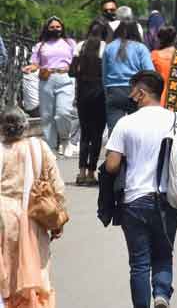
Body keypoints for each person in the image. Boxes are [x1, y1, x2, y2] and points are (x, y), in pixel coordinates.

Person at [104, 70, 177, 308]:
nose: (130, 95)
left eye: (132, 90)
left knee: (139, 263)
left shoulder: (125, 123)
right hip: (167, 199)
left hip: (134, 201)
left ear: (141, 92)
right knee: (163, 254)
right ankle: (161, 294)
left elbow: (112, 165)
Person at [0, 108, 65, 308]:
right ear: (25, 126)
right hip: (33, 217)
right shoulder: (39, 148)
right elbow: (57, 187)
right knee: (37, 273)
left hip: (3, 219)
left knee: (6, 274)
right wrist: (57, 220)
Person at [23, 17, 77, 155]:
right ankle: (50, 146)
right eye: (52, 27)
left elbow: (76, 61)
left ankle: (65, 140)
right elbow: (35, 63)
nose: (55, 29)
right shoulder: (40, 45)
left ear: (62, 28)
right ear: (47, 29)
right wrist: (30, 68)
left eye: (58, 27)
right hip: (46, 80)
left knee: (63, 113)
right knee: (47, 115)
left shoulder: (69, 43)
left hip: (65, 79)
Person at [70, 18, 111, 186]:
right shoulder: (106, 48)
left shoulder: (80, 46)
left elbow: (72, 72)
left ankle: (81, 172)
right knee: (97, 135)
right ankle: (91, 172)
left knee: (85, 134)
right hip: (100, 95)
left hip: (83, 94)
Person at [103, 20, 154, 134]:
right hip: (136, 92)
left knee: (115, 131)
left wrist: (107, 94)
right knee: (137, 130)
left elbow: (104, 74)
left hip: (114, 91)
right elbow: (150, 73)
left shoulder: (109, 47)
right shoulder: (140, 48)